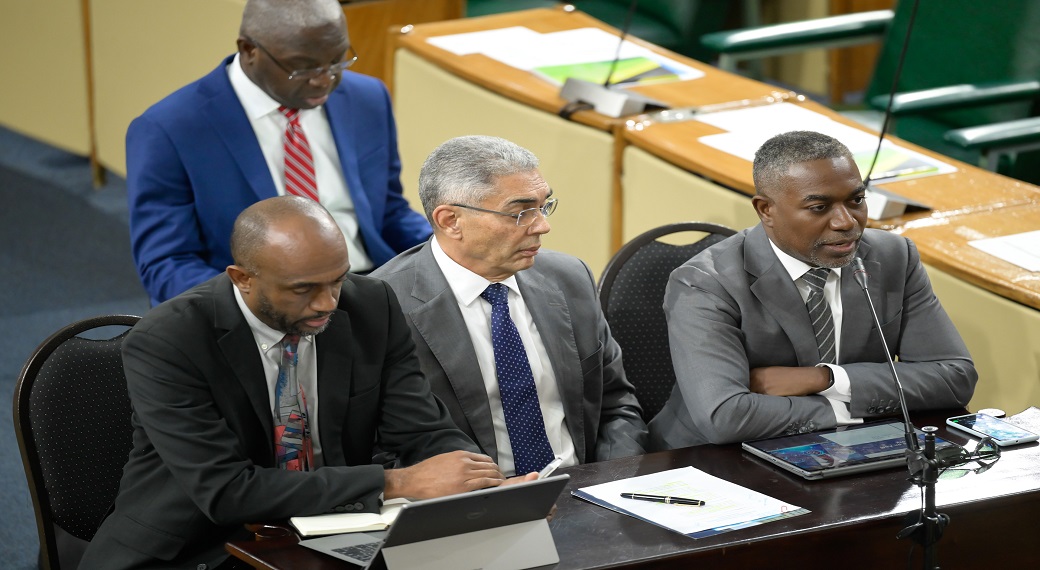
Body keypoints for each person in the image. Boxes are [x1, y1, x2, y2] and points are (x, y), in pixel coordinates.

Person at [82, 196, 509, 569]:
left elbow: (422, 429)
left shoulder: (371, 306)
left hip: (337, 530)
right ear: (242, 278)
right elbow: (227, 491)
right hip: (201, 547)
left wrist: (482, 486)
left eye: (337, 280)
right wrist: (395, 482)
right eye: (303, 289)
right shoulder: (169, 341)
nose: (328, 303)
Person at [649, 131, 977, 449]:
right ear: (766, 210)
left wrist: (826, 380)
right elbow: (726, 416)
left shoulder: (893, 257)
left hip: (853, 451)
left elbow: (954, 377)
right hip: (716, 460)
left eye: (857, 200)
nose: (846, 222)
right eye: (819, 208)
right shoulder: (705, 282)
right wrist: (848, 408)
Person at [372, 135, 648, 477]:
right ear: (450, 221)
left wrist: (611, 479)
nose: (543, 226)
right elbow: (379, 448)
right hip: (472, 508)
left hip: (587, 487)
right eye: (520, 213)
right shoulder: (383, 305)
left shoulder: (569, 277)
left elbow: (616, 403)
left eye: (544, 206)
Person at [127, 0, 431, 305]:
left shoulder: (367, 98)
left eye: (338, 61)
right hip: (256, 305)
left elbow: (389, 212)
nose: (324, 80)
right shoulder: (171, 129)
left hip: (371, 285)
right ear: (249, 51)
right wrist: (255, 309)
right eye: (303, 67)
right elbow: (167, 263)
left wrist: (447, 250)